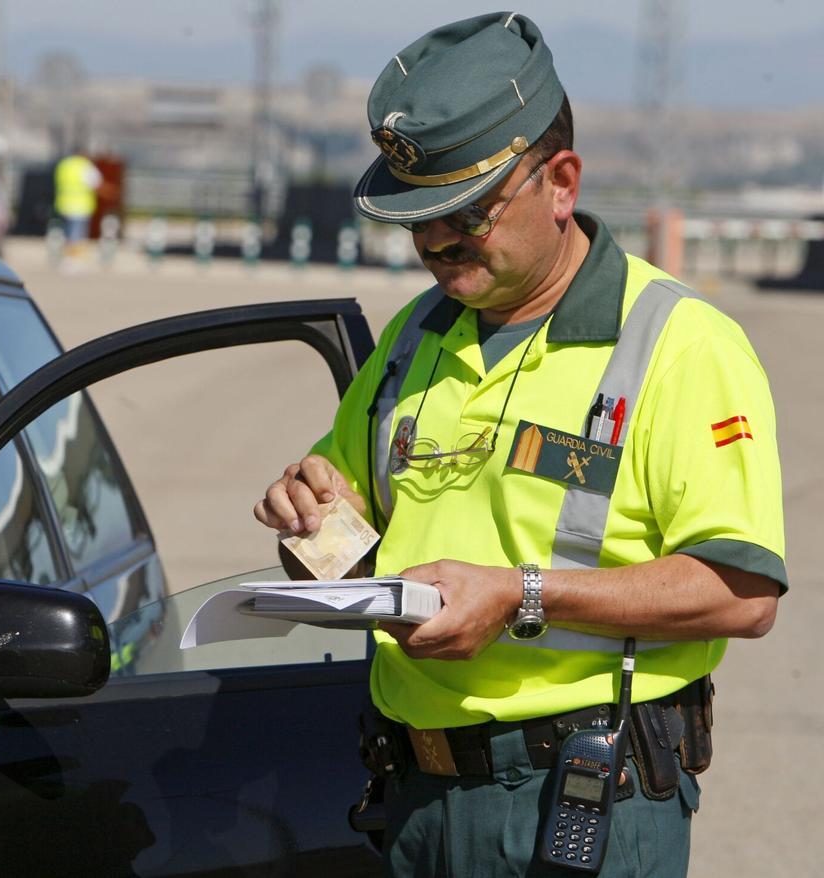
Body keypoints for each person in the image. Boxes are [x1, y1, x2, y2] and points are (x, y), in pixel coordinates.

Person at [254, 13, 784, 878]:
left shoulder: (680, 344)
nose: (433, 243)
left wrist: (518, 595)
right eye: (414, 220)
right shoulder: (416, 337)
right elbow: (343, 536)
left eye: (465, 213)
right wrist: (306, 518)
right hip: (414, 805)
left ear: (561, 181)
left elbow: (742, 591)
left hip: (581, 807)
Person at [53, 148, 103, 256]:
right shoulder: (85, 166)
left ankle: (63, 252)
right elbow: (95, 183)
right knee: (77, 233)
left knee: (67, 230)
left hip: (64, 204)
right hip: (80, 205)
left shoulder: (64, 165)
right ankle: (73, 255)